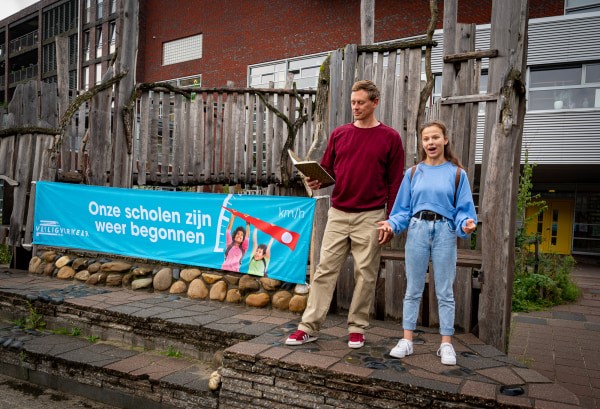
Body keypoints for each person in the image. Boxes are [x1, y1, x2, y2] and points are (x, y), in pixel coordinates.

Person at [285, 80, 405, 349]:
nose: (356, 107)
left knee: (366, 273)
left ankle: (357, 328)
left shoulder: (391, 138)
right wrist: (318, 181)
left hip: (372, 216)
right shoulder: (340, 134)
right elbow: (329, 172)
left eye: (361, 102)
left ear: (375, 102)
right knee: (324, 270)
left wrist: (391, 220)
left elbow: (396, 182)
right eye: (353, 102)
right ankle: (308, 326)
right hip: (338, 214)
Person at [377, 119, 477, 365]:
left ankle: (446, 344)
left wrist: (466, 223)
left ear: (445, 140)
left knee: (444, 291)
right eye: (426, 139)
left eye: (435, 137)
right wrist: (392, 223)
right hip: (417, 230)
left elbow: (464, 210)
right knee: (412, 288)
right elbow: (402, 210)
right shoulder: (413, 173)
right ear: (421, 143)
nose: (430, 142)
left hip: (445, 231)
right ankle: (407, 340)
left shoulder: (457, 174)